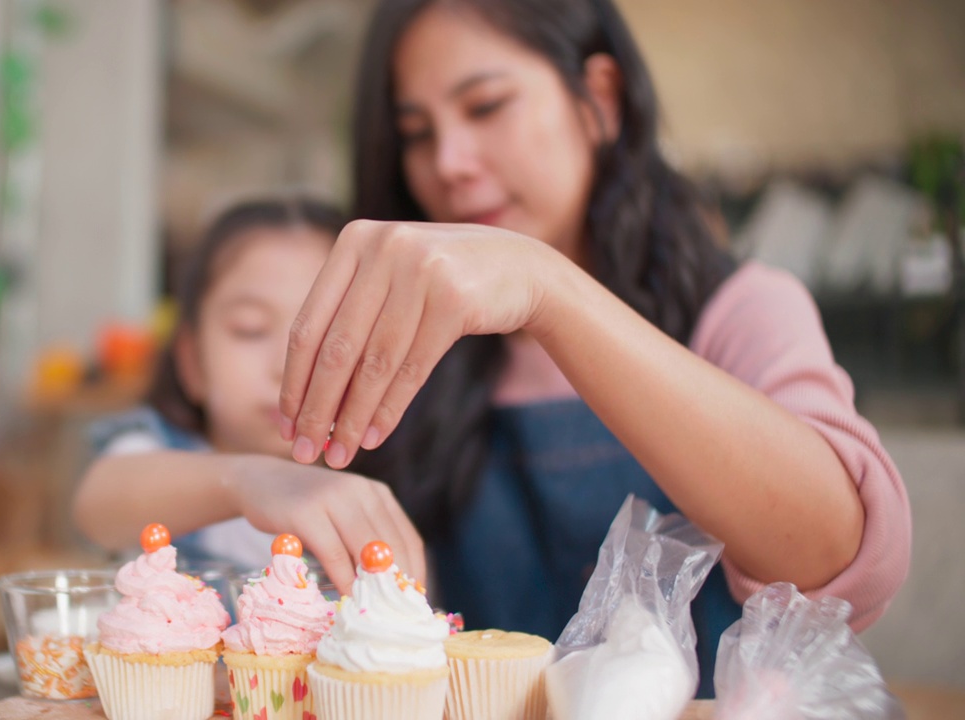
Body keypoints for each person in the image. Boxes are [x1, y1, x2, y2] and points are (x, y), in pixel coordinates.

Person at [274, 0, 911, 695]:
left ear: (599, 101)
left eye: (485, 106)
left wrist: (551, 291)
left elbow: (837, 557)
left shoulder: (740, 309)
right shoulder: (406, 351)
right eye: (416, 133)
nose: (448, 163)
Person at [73, 197, 426, 579]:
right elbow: (97, 503)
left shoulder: (391, 479)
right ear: (192, 363)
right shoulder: (154, 451)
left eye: (329, 334)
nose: (286, 366)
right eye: (250, 329)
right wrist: (249, 481)